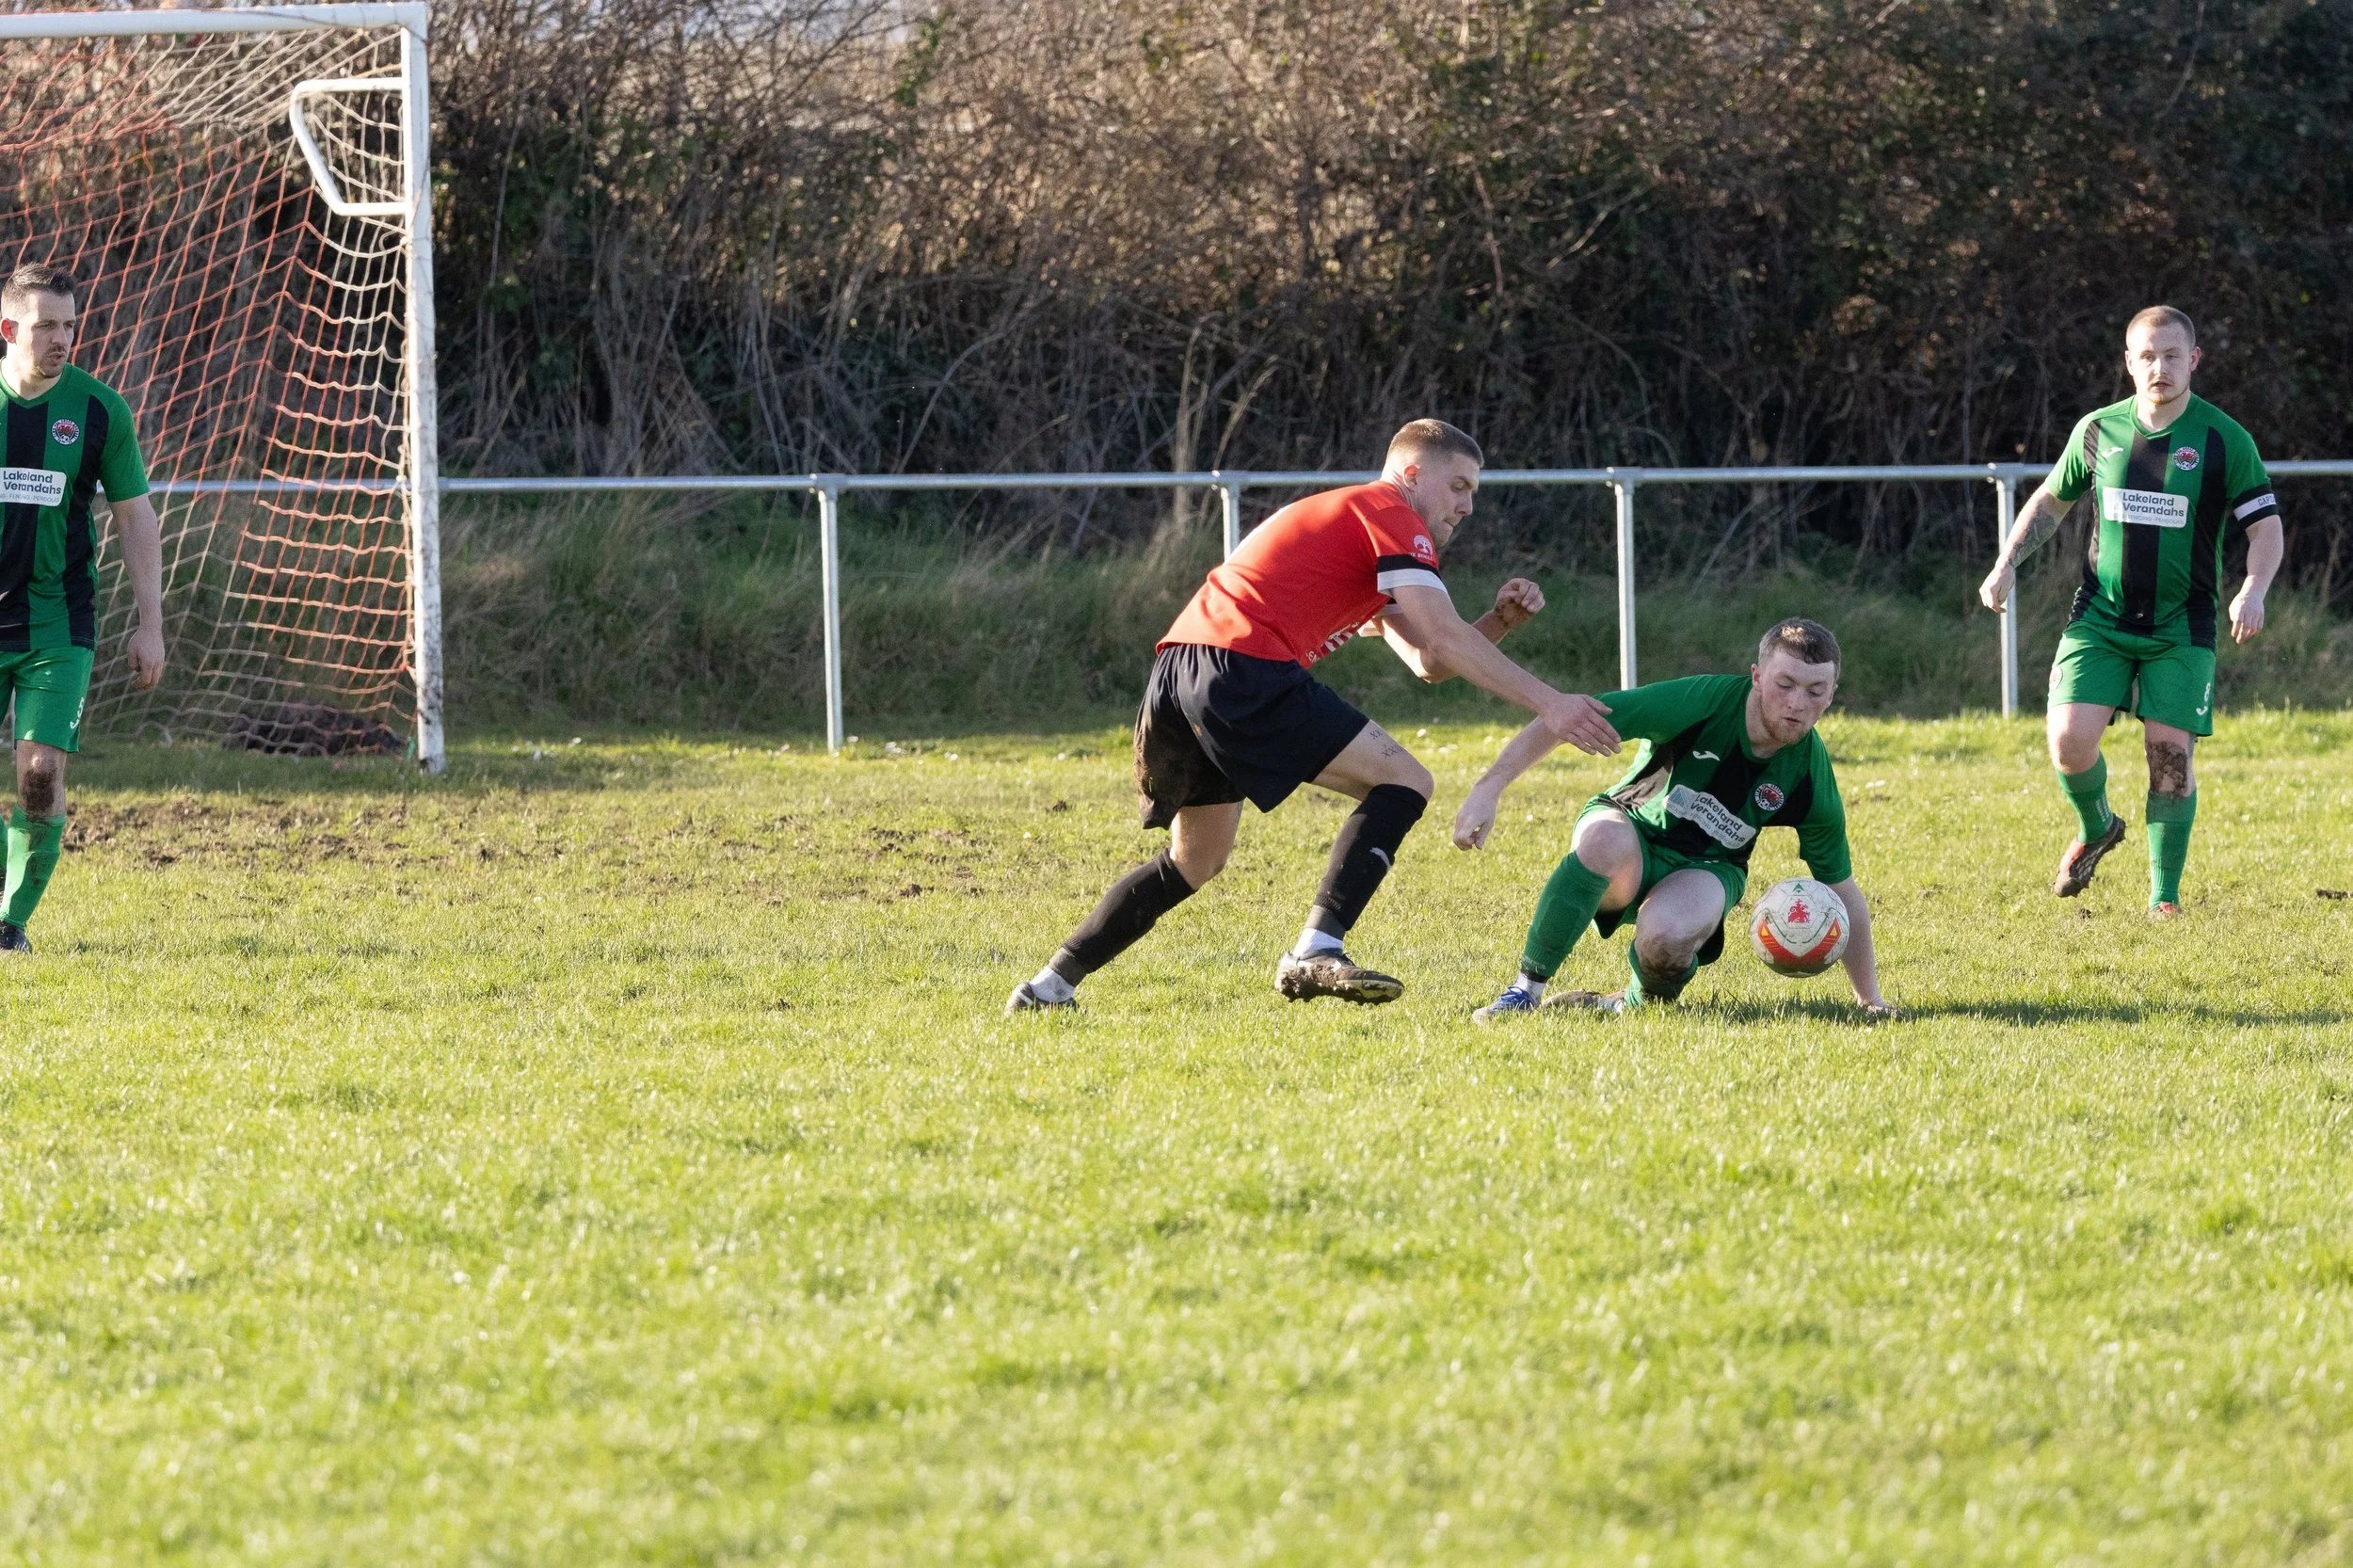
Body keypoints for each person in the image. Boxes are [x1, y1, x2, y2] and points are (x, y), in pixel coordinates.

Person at [1005, 418, 1621, 1013]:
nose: (1466, 506)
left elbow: (1428, 661)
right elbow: (1442, 640)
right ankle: (1316, 949)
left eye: (1473, 493)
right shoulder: (1392, 514)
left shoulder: (1357, 523)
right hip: (1243, 665)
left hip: (1181, 671)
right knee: (1406, 781)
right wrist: (1553, 703)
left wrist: (1499, 625)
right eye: (1459, 487)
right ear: (1410, 474)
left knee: (1195, 860)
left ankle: (1049, 986)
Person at [1978, 305, 2282, 919]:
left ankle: (2162, 900)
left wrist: (2254, 588)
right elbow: (2051, 500)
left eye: (2173, 355)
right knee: (2068, 741)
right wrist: (2007, 559)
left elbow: (2266, 527)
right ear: (2128, 362)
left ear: (2193, 359)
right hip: (2101, 617)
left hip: (2182, 625)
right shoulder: (2098, 429)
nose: (2160, 368)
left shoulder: (2224, 439)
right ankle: (2097, 827)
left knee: (2168, 758)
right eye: (2147, 356)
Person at [1454, 617, 1895, 1021]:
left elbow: (1840, 887)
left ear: (1832, 695)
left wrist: (1870, 1000)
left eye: (1816, 692)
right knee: (1602, 841)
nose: (1798, 703)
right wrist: (1488, 788)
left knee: (1666, 940)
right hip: (1631, 832)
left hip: (1707, 867)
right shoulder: (1698, 703)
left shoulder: (1809, 775)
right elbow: (1568, 715)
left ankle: (1628, 1004)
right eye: (1785, 684)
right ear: (1758, 678)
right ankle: (1524, 992)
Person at [0, 263, 166, 955]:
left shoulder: (100, 411)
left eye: (69, 324)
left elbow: (134, 517)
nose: (61, 339)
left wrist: (151, 623)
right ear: (9, 329)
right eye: (45, 327)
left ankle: (10, 923)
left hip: (56, 625)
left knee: (40, 777)